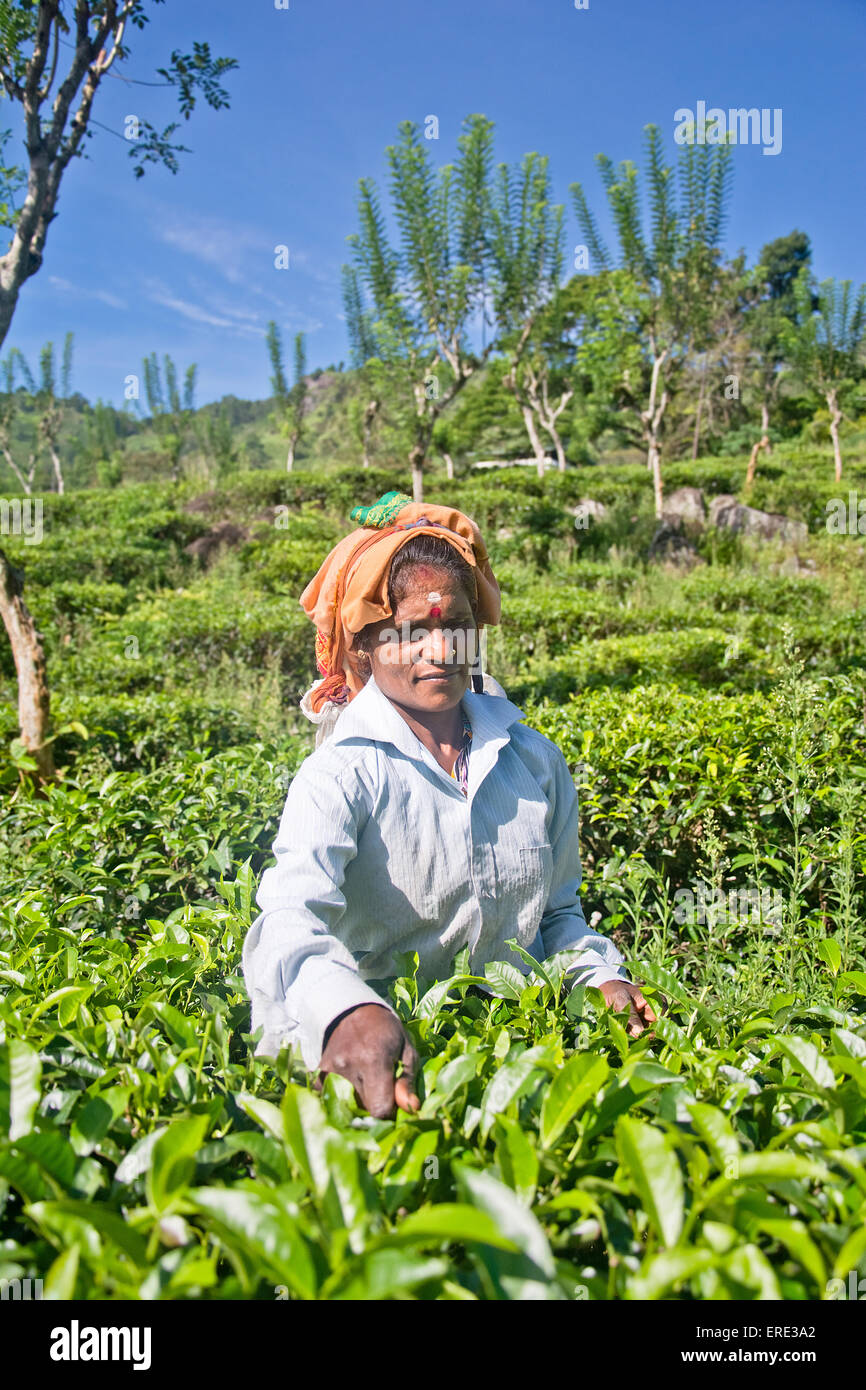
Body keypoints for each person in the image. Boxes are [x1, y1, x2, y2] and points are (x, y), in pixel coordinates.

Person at [242, 490, 656, 1119]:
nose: (441, 652)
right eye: (410, 632)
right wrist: (348, 1011)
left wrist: (599, 978)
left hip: (523, 1067)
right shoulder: (342, 774)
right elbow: (288, 919)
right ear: (365, 646)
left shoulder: (533, 761)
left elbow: (556, 915)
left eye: (456, 627)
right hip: (384, 1067)